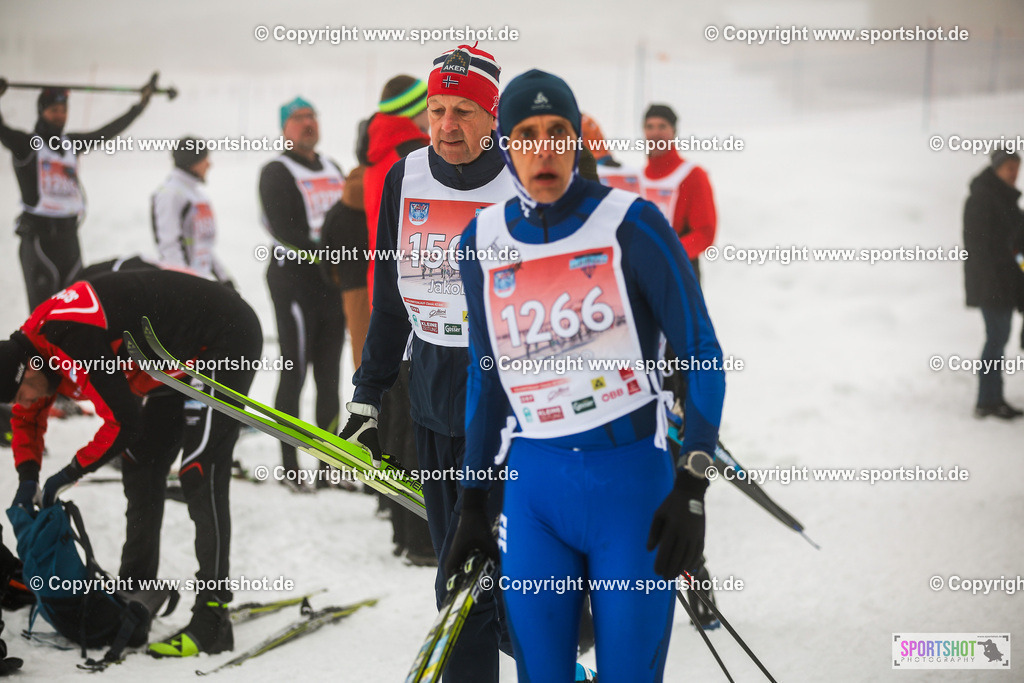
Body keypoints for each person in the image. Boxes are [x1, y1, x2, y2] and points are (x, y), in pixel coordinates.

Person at [449, 69, 725, 682]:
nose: (543, 149)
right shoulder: (481, 241)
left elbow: (702, 351)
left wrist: (693, 482)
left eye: (557, 132)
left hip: (632, 492)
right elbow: (486, 379)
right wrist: (471, 501)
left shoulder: (632, 224)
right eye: (526, 135)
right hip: (535, 495)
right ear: (506, 145)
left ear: (576, 140)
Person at [339, 45, 512, 682]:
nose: (446, 125)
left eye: (464, 110)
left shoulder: (522, 178)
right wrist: (368, 393)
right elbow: (389, 298)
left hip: (514, 416)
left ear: (492, 116)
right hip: (434, 404)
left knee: (522, 585)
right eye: (437, 109)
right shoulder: (404, 176)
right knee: (458, 585)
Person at [0, 269, 263, 657]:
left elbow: (124, 422)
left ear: (31, 367)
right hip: (174, 359)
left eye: (21, 392)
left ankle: (213, 617)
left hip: (224, 337)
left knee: (200, 470)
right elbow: (28, 415)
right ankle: (137, 585)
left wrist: (68, 474)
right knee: (141, 464)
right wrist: (28, 477)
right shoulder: (32, 345)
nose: (24, 402)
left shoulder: (71, 338)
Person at [0, 78, 154, 310]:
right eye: (54, 110)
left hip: (70, 240)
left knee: (73, 311)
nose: (60, 116)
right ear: (42, 111)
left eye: (64, 110)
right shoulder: (27, 145)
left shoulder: (71, 143)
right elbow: (2, 130)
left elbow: (106, 133)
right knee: (43, 314)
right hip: (40, 241)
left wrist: (139, 107)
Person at [259, 97, 346, 484]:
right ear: (285, 128)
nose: (307, 123)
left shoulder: (333, 167)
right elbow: (284, 229)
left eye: (312, 116)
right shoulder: (276, 171)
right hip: (294, 282)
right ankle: (290, 466)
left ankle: (328, 466)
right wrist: (328, 257)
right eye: (298, 118)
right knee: (293, 371)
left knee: (329, 377)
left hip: (331, 284)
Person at [963, 149, 1024, 419]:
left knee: (999, 339)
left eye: (1017, 168)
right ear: (997, 169)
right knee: (996, 339)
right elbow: (980, 248)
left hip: (1006, 284)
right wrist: (995, 281)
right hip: (992, 286)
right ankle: (988, 401)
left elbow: (1017, 247)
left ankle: (993, 398)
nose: (1014, 173)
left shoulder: (1007, 200)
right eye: (1009, 167)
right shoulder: (983, 199)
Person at [642, 103, 717, 282]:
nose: (655, 133)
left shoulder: (692, 175)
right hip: (643, 271)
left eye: (662, 126)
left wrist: (667, 254)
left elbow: (705, 233)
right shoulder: (637, 177)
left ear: (674, 131)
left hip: (680, 270)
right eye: (649, 126)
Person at [151, 138, 232, 285]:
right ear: (193, 162)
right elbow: (169, 247)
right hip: (185, 284)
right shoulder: (170, 194)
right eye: (205, 159)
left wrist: (224, 279)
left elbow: (204, 245)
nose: (209, 164)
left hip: (200, 282)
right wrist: (185, 285)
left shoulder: (198, 196)